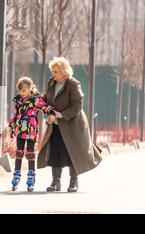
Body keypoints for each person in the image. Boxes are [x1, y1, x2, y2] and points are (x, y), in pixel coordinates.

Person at [37, 57, 102, 192]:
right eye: (52, 71)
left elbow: (77, 106)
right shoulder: (51, 82)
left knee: (73, 153)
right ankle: (56, 182)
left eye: (55, 71)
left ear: (64, 72)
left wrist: (61, 115)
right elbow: (47, 100)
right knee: (55, 153)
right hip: (55, 125)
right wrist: (42, 104)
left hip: (73, 126)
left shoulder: (73, 84)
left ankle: (74, 182)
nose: (53, 74)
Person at [8, 77, 55, 191]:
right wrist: (11, 127)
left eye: (24, 90)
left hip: (31, 130)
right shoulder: (18, 100)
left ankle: (31, 176)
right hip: (20, 130)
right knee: (19, 152)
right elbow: (15, 115)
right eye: (20, 91)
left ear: (30, 88)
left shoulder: (36, 99)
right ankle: (17, 175)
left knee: (30, 153)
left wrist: (51, 113)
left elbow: (45, 107)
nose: (21, 93)